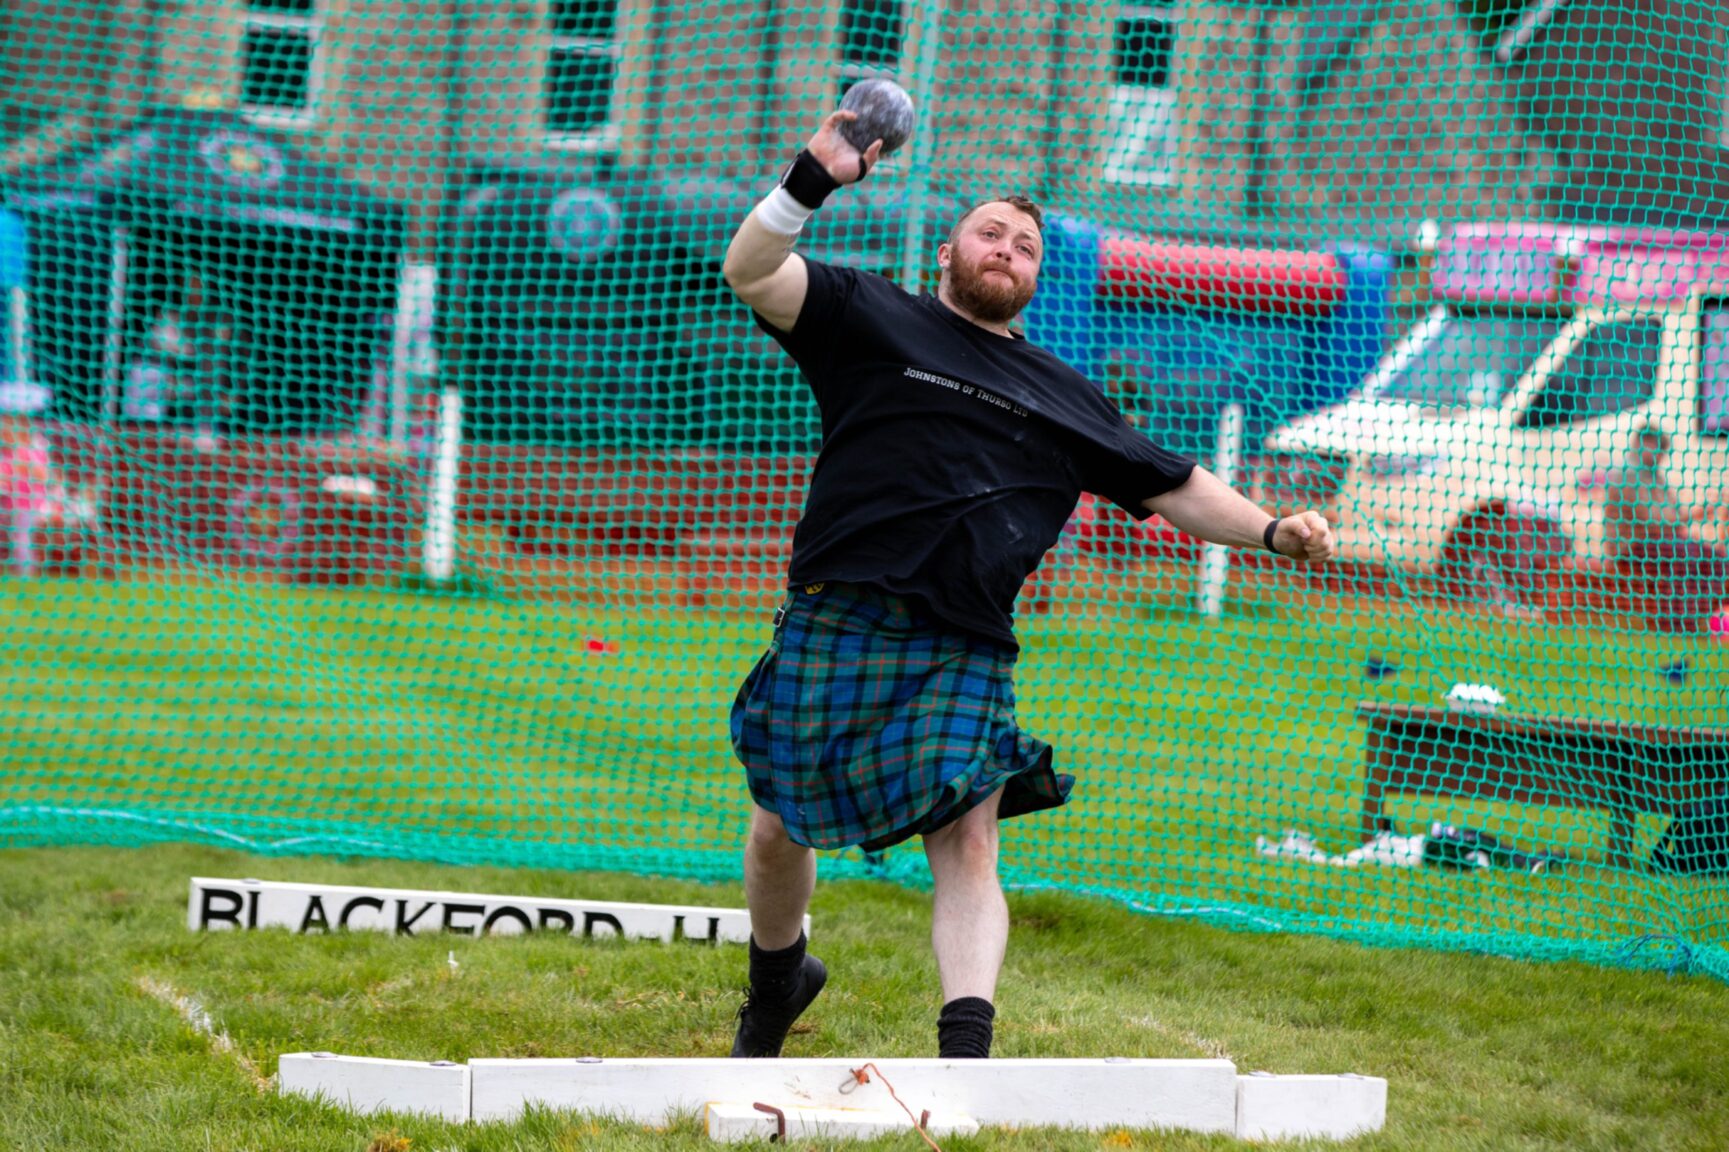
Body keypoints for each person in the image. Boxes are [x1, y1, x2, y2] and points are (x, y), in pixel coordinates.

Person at [719, 108, 1336, 1062]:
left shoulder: (1061, 392)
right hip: (836, 614)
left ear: (1036, 278)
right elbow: (751, 271)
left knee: (967, 842)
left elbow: (1173, 482)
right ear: (947, 252)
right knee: (775, 833)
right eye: (989, 232)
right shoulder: (870, 315)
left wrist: (1269, 529)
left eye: (1026, 245)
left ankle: (967, 1051)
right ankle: (778, 982)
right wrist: (816, 173)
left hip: (963, 642)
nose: (1006, 248)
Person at [1603, 423, 1729, 632]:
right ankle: (1673, 622)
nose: (1657, 452)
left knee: (1717, 558)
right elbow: (1656, 521)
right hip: (1632, 547)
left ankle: (1695, 618)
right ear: (1638, 444)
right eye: (1653, 445)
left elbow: (1673, 518)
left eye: (1660, 447)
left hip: (1662, 543)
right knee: (1685, 552)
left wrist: (1702, 511)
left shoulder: (1657, 479)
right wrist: (1688, 517)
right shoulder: (1627, 476)